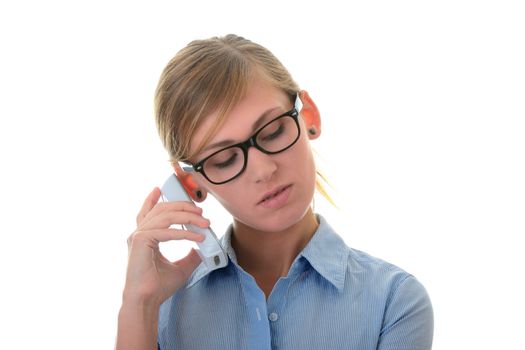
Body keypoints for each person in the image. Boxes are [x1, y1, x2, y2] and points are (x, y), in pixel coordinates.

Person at [116, 34, 433, 350]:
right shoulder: (162, 310)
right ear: (191, 183)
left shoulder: (393, 302)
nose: (264, 170)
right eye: (224, 159)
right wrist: (139, 305)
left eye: (273, 131)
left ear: (308, 115)